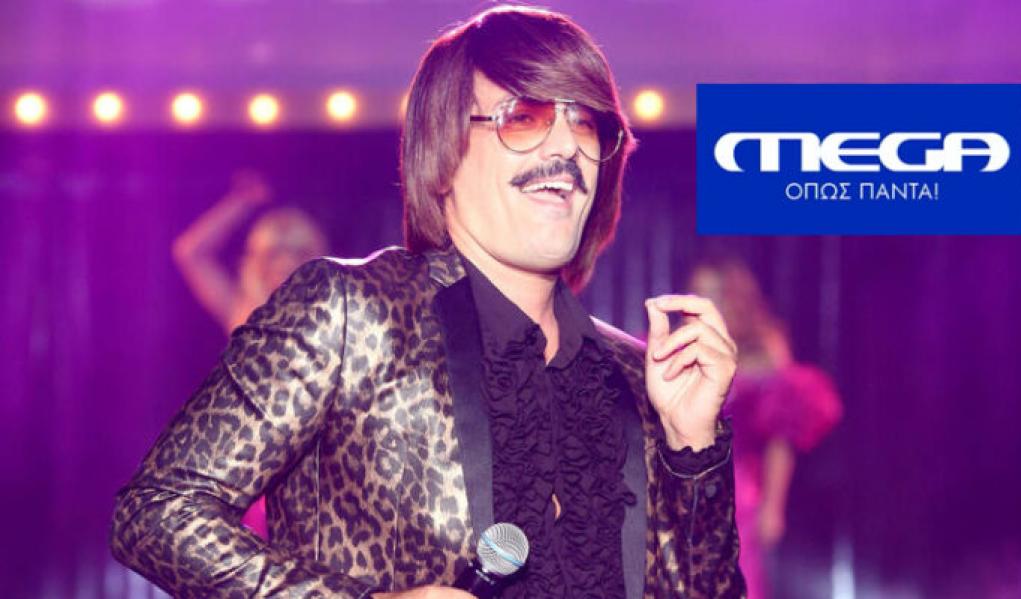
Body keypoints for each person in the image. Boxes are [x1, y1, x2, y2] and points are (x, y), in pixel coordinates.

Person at [111, 7, 745, 598]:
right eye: (523, 116)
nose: (565, 147)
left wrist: (693, 449)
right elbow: (157, 511)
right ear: (444, 147)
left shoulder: (636, 374)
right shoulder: (350, 312)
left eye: (586, 121)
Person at [171, 169, 330, 538]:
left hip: (311, 460)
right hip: (251, 458)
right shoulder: (241, 309)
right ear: (259, 258)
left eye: (297, 252)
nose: (285, 263)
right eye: (275, 252)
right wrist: (240, 203)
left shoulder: (332, 310)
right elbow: (190, 252)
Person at [689, 258, 841, 599]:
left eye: (711, 294)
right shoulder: (680, 348)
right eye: (695, 293)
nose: (699, 302)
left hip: (736, 493)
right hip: (682, 486)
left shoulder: (762, 350)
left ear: (733, 300)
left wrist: (774, 504)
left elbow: (782, 430)